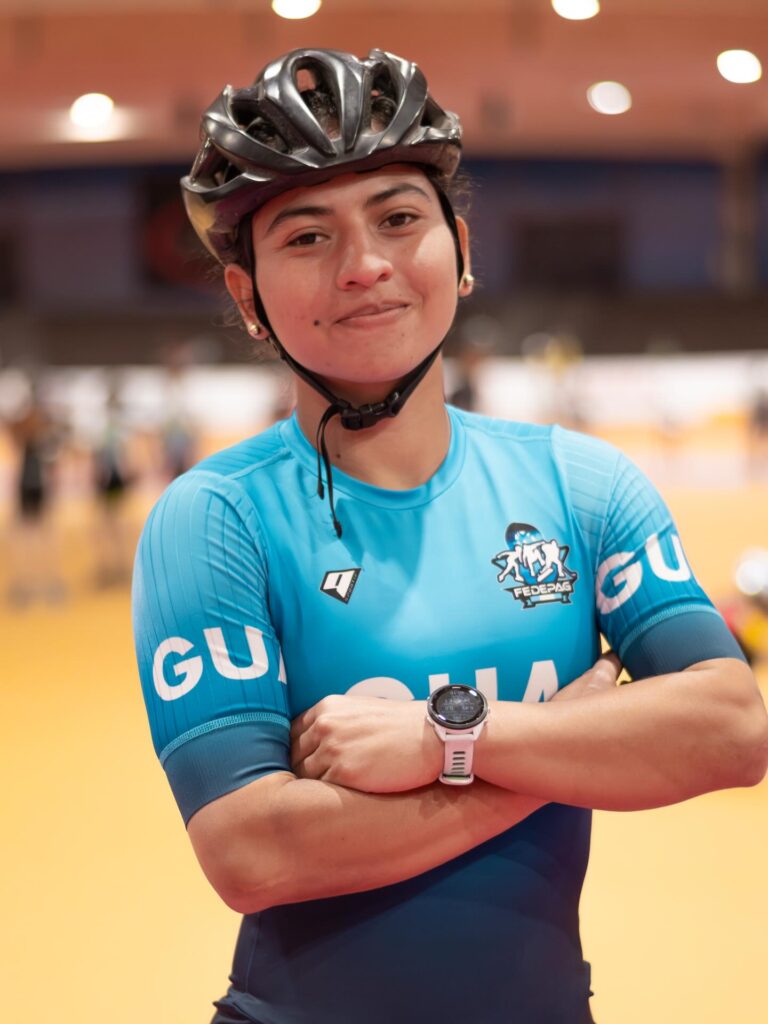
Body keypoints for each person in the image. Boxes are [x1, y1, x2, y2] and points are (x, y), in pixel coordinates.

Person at [131, 48, 768, 1024]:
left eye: (398, 218)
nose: (365, 265)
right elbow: (254, 850)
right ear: (248, 296)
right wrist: (555, 743)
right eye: (307, 236)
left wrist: (447, 735)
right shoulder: (213, 519)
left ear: (460, 249)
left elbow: (731, 732)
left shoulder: (581, 485)